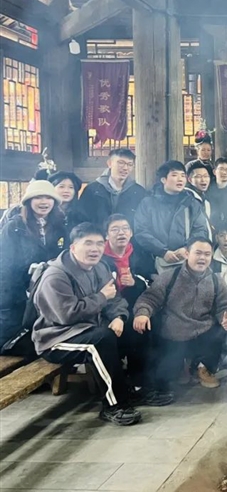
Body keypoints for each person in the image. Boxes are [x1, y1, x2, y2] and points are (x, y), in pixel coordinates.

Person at [31, 223, 143, 426]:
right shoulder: (56, 276)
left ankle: (139, 387)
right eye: (88, 243)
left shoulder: (100, 267)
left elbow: (115, 299)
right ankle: (115, 405)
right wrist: (101, 297)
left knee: (136, 326)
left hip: (89, 327)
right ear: (73, 247)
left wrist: (119, 317)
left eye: (99, 243)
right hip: (57, 337)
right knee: (100, 341)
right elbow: (67, 315)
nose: (95, 249)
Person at [134, 238, 227, 397]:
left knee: (223, 329)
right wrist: (142, 313)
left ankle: (204, 367)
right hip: (173, 334)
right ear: (187, 254)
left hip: (203, 332)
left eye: (207, 254)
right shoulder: (169, 277)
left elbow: (225, 305)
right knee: (166, 381)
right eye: (198, 253)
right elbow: (149, 298)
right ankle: (182, 367)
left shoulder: (216, 280)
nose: (202, 258)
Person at [0, 180, 68, 352]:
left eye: (48, 197)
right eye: (38, 197)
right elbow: (4, 265)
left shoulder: (61, 226)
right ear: (29, 201)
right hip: (17, 294)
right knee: (10, 344)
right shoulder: (14, 227)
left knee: (42, 341)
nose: (44, 202)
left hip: (48, 292)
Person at [102, 214, 152, 389]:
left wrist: (135, 282)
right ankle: (120, 384)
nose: (121, 233)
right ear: (106, 235)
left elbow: (152, 282)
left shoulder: (141, 255)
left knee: (145, 324)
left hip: (135, 304)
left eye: (125, 229)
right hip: (107, 309)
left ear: (131, 233)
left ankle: (140, 380)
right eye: (115, 229)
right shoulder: (99, 257)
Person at [134, 161, 210, 275]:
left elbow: (200, 230)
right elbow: (141, 231)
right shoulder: (148, 203)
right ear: (163, 179)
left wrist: (187, 248)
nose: (180, 179)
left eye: (183, 175)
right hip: (155, 261)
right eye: (174, 175)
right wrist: (162, 251)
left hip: (186, 259)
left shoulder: (192, 203)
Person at [79, 148, 147, 228]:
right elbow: (81, 220)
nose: (125, 168)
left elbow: (143, 223)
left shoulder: (139, 192)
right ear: (109, 163)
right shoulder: (92, 190)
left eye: (130, 164)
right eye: (121, 163)